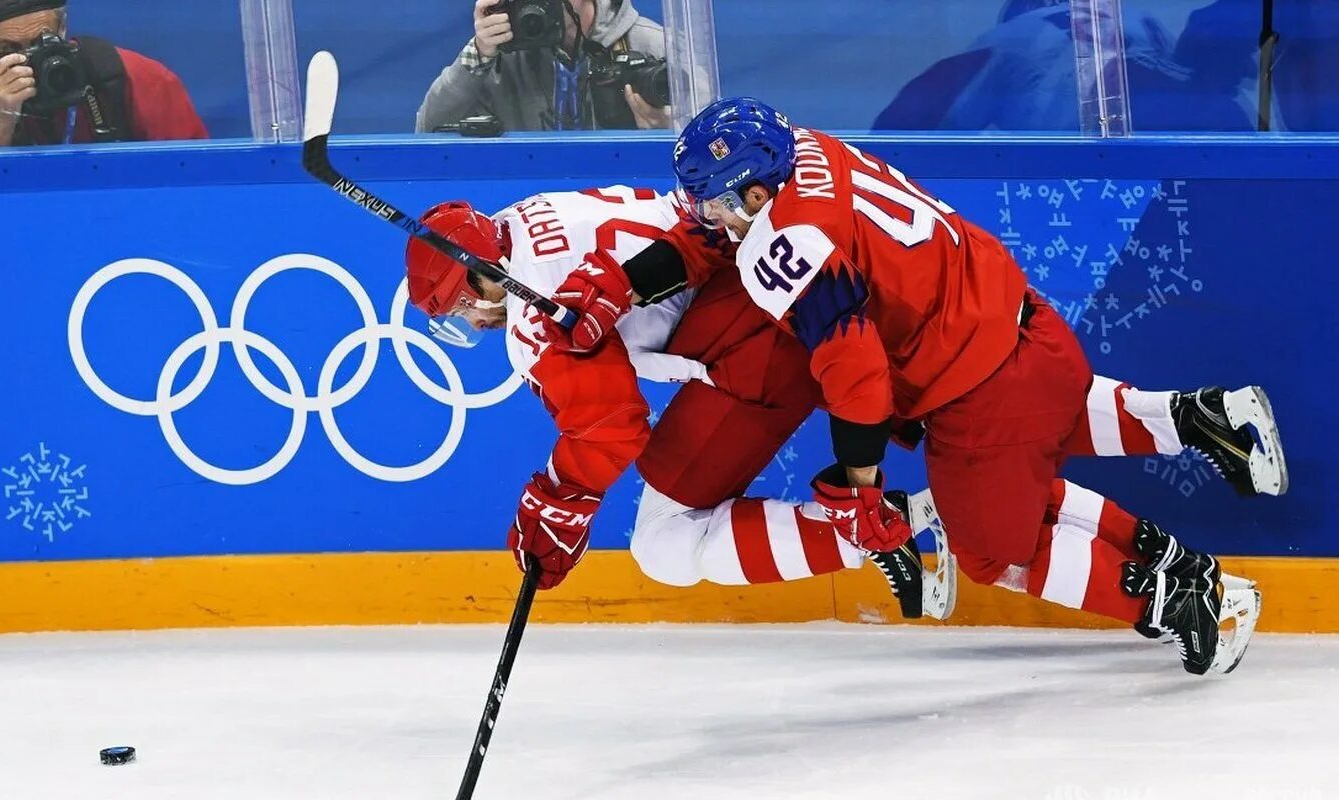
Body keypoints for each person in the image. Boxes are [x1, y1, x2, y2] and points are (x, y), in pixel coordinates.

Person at [544, 97, 1288, 676]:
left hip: (981, 392)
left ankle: (1181, 601)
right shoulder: (799, 146)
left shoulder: (788, 242)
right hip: (1023, 329)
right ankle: (1169, 551)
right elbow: (713, 235)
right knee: (1010, 479)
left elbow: (858, 377)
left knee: (992, 551)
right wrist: (617, 282)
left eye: (712, 199)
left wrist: (864, 490)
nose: (701, 212)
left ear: (755, 194)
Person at [403, 186, 952, 620]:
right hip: (794, 281)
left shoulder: (532, 316)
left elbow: (611, 427)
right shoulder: (529, 214)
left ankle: (875, 528)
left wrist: (556, 499)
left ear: (482, 278)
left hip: (757, 337)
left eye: (461, 309)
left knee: (664, 542)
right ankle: (889, 520)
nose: (472, 322)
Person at [0, 0, 209, 149]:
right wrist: (0, 122)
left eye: (41, 40)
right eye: (10, 49)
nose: (28, 60)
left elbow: (195, 174)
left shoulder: (135, 78)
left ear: (63, 27)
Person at [416, 0, 671, 133]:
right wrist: (479, 53)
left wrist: (668, 130)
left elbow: (710, 150)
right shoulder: (501, 55)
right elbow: (428, 130)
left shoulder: (654, 44)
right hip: (531, 211)